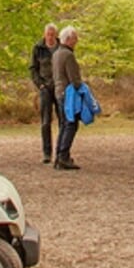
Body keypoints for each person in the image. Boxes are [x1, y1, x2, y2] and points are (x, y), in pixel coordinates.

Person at [50, 25, 85, 170]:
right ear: (69, 39)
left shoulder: (56, 54)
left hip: (59, 92)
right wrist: (83, 89)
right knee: (71, 124)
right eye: (75, 38)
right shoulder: (68, 55)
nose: (76, 41)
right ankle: (63, 156)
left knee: (64, 124)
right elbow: (74, 79)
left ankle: (59, 156)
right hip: (68, 94)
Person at [30, 23, 59, 164]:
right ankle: (47, 153)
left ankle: (61, 152)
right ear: (44, 34)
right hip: (45, 88)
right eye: (48, 34)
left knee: (64, 121)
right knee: (46, 122)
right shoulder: (38, 48)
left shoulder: (62, 48)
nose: (50, 37)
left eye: (53, 34)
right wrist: (40, 84)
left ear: (56, 35)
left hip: (60, 88)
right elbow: (33, 69)